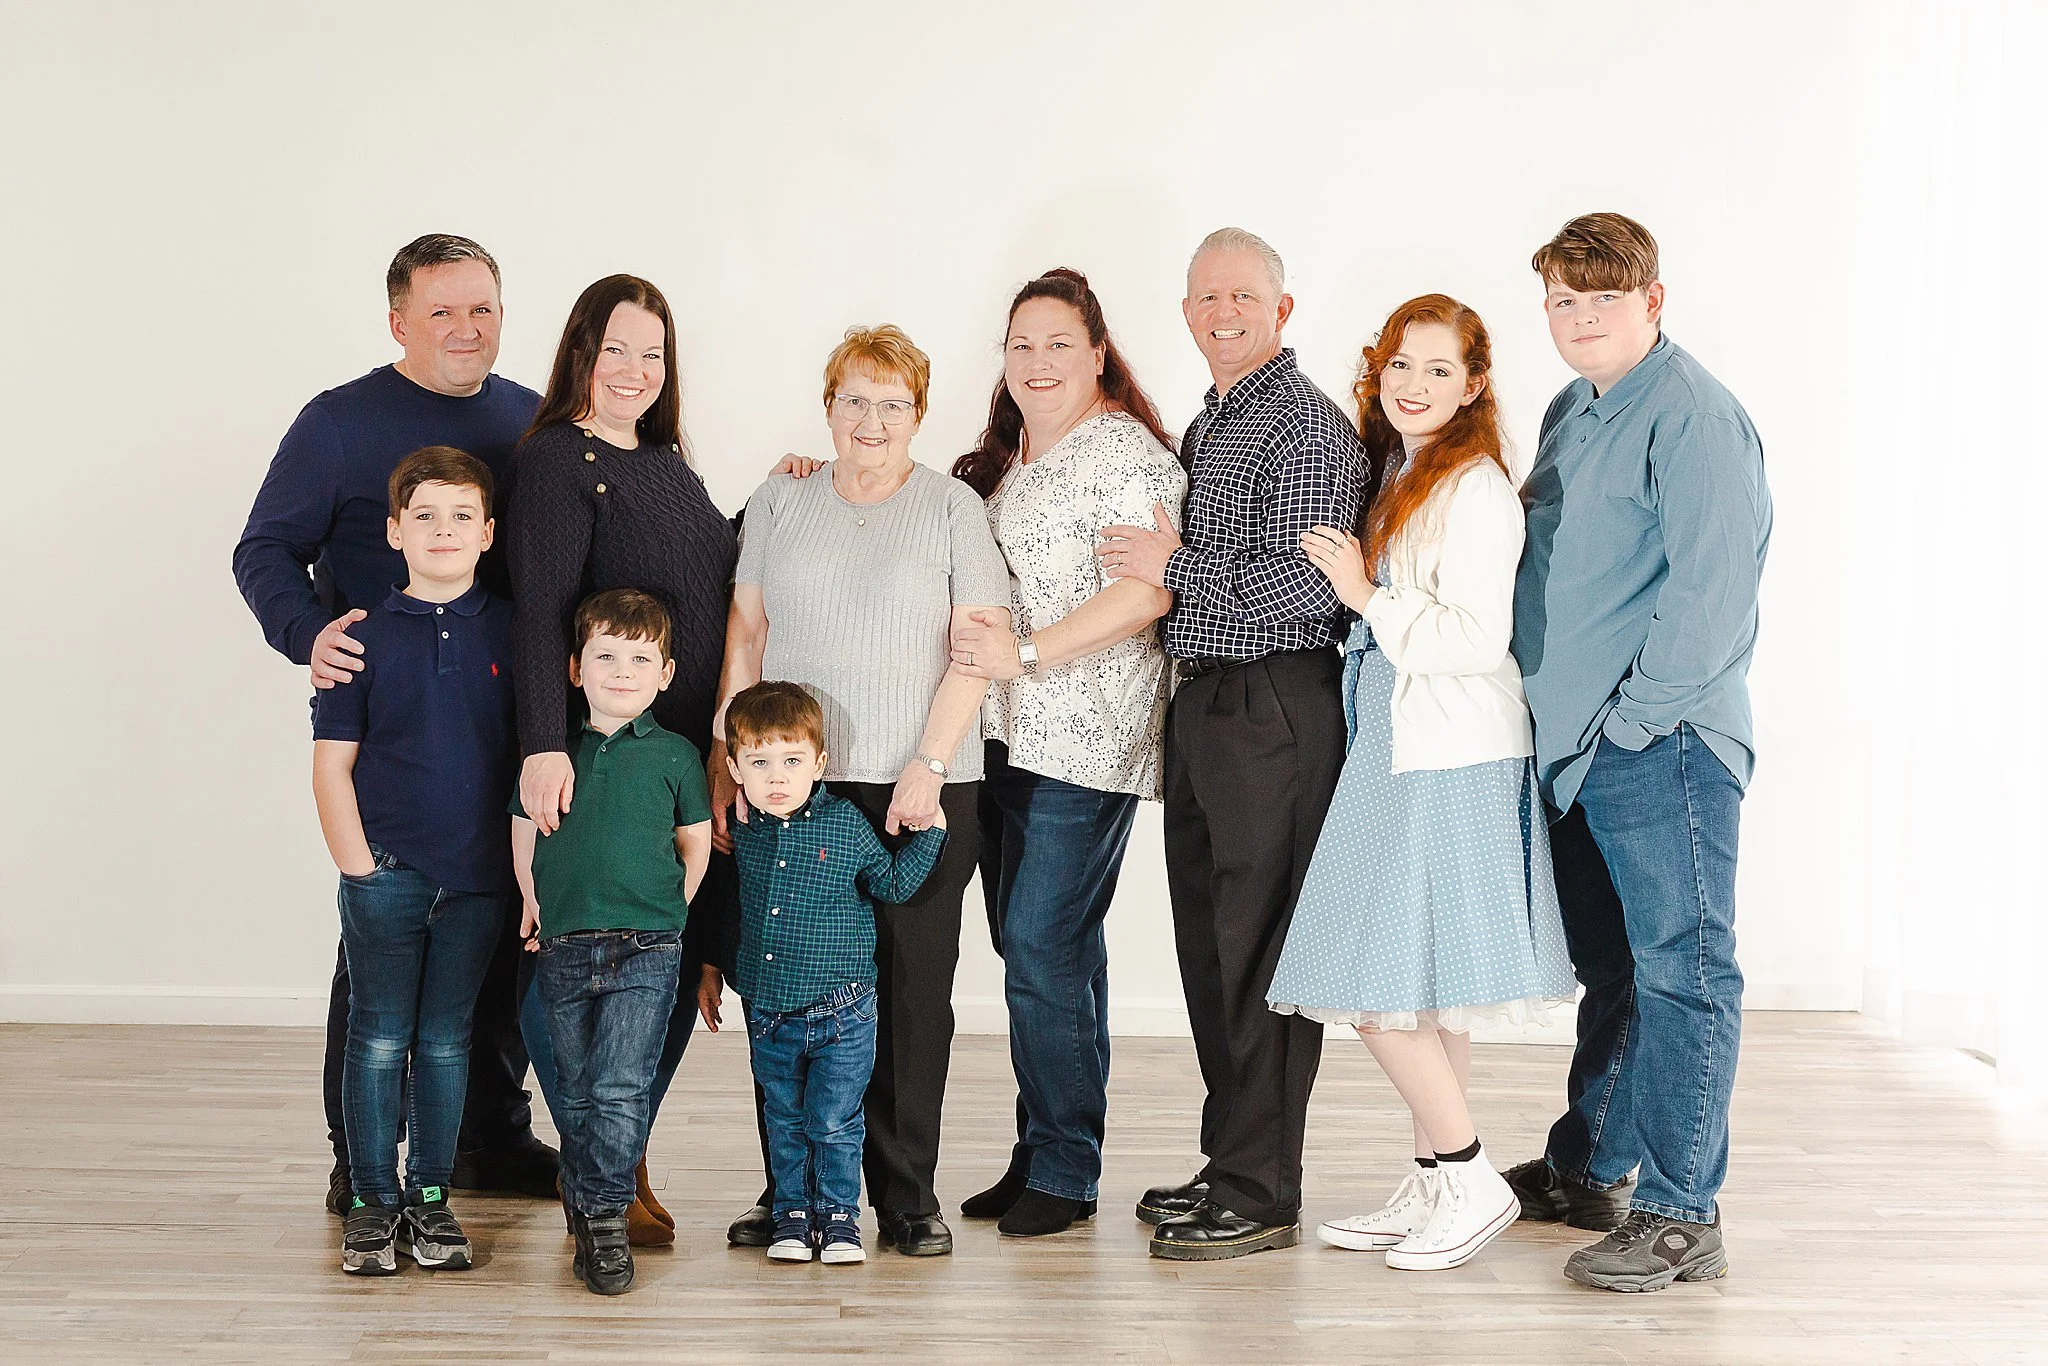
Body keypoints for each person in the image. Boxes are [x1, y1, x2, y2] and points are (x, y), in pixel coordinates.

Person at [233, 234, 554, 1216]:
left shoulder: (530, 417)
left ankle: (486, 1140)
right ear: (399, 323)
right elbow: (265, 550)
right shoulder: (339, 423)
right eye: (444, 312)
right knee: (379, 950)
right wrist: (308, 633)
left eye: (484, 308)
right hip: (392, 730)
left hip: (501, 719)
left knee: (492, 942)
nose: (467, 328)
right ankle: (357, 1157)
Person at [1265, 296, 1577, 1272]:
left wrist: (1364, 594)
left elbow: (1475, 641)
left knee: (1370, 986)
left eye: (1438, 370)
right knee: (1428, 995)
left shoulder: (1474, 489)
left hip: (1448, 756)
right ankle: (1436, 1180)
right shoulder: (1406, 471)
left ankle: (1468, 1171)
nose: (1413, 384)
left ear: (1474, 385)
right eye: (1401, 363)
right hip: (1403, 749)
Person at [705, 324, 1011, 1257]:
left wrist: (928, 759)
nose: (872, 420)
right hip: (787, 787)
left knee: (912, 993)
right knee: (788, 987)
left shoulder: (953, 507)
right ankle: (789, 1186)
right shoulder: (780, 499)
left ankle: (905, 1194)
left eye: (893, 404)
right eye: (854, 401)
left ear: (919, 413)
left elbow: (978, 645)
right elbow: (746, 637)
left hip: (917, 788)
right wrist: (729, 752)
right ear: (828, 408)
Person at [1506, 213, 1771, 1292]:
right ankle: (1587, 1167)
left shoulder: (1695, 418)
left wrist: (1629, 721)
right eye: (1562, 302)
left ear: (1650, 300)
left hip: (1655, 743)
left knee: (1685, 973)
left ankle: (1678, 1213)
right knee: (1611, 970)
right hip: (1571, 750)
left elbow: (1713, 599)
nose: (1578, 319)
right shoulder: (1573, 407)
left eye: (1600, 300)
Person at [1101, 227, 1368, 1260]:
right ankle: (1231, 1158)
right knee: (1212, 952)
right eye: (1205, 295)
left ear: (1281, 311)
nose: (1222, 310)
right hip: (1207, 705)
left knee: (1260, 953)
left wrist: (1175, 568)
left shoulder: (1301, 426)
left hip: (1274, 706)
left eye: (1243, 295)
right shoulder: (1213, 422)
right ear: (1183, 312)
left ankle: (1263, 1187)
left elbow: (1303, 591)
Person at [942, 268, 1186, 1237]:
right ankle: (1043, 1142)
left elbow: (1148, 594)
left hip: (1085, 740)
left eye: (1057, 344)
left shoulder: (1121, 455)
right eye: (1021, 345)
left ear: (1096, 353)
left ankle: (1065, 1168)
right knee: (1038, 951)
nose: (1037, 363)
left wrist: (1028, 652)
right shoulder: (1012, 462)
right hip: (1007, 734)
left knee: (1041, 951)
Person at [506, 273, 746, 1247]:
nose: (634, 370)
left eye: (652, 353)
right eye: (616, 350)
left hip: (682, 760)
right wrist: (537, 749)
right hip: (601, 761)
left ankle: (618, 1152)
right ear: (579, 354)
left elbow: (701, 570)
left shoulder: (661, 458)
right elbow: (537, 612)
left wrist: (776, 500)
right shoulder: (561, 461)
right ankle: (602, 1160)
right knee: (578, 968)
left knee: (678, 958)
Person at [310, 446, 516, 1276]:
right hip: (386, 873)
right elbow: (332, 765)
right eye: (424, 515)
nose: (443, 530)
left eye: (462, 516)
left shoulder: (510, 628)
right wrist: (361, 868)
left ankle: (429, 1197)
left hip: (477, 882)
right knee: (376, 1037)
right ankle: (371, 1199)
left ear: (489, 532)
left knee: (444, 1041)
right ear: (394, 531)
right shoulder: (358, 636)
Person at [511, 589, 714, 1296]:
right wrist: (534, 901)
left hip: (648, 948)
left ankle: (601, 1218)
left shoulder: (676, 755)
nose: (621, 670)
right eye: (605, 655)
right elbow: (524, 828)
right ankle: (590, 1192)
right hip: (564, 941)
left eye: (640, 658)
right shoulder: (552, 752)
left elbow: (694, 843)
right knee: (575, 1085)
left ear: (665, 674)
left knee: (622, 1082)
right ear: (575, 669)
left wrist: (673, 911)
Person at [710, 681, 949, 1266]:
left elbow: (891, 884)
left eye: (792, 761)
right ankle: (792, 1216)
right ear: (736, 770)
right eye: (759, 763)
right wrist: (716, 968)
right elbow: (727, 906)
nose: (777, 777)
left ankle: (841, 1219)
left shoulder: (843, 825)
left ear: (820, 764)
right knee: (785, 1120)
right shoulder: (741, 831)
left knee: (836, 1121)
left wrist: (934, 832)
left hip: (842, 1012)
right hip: (768, 1012)